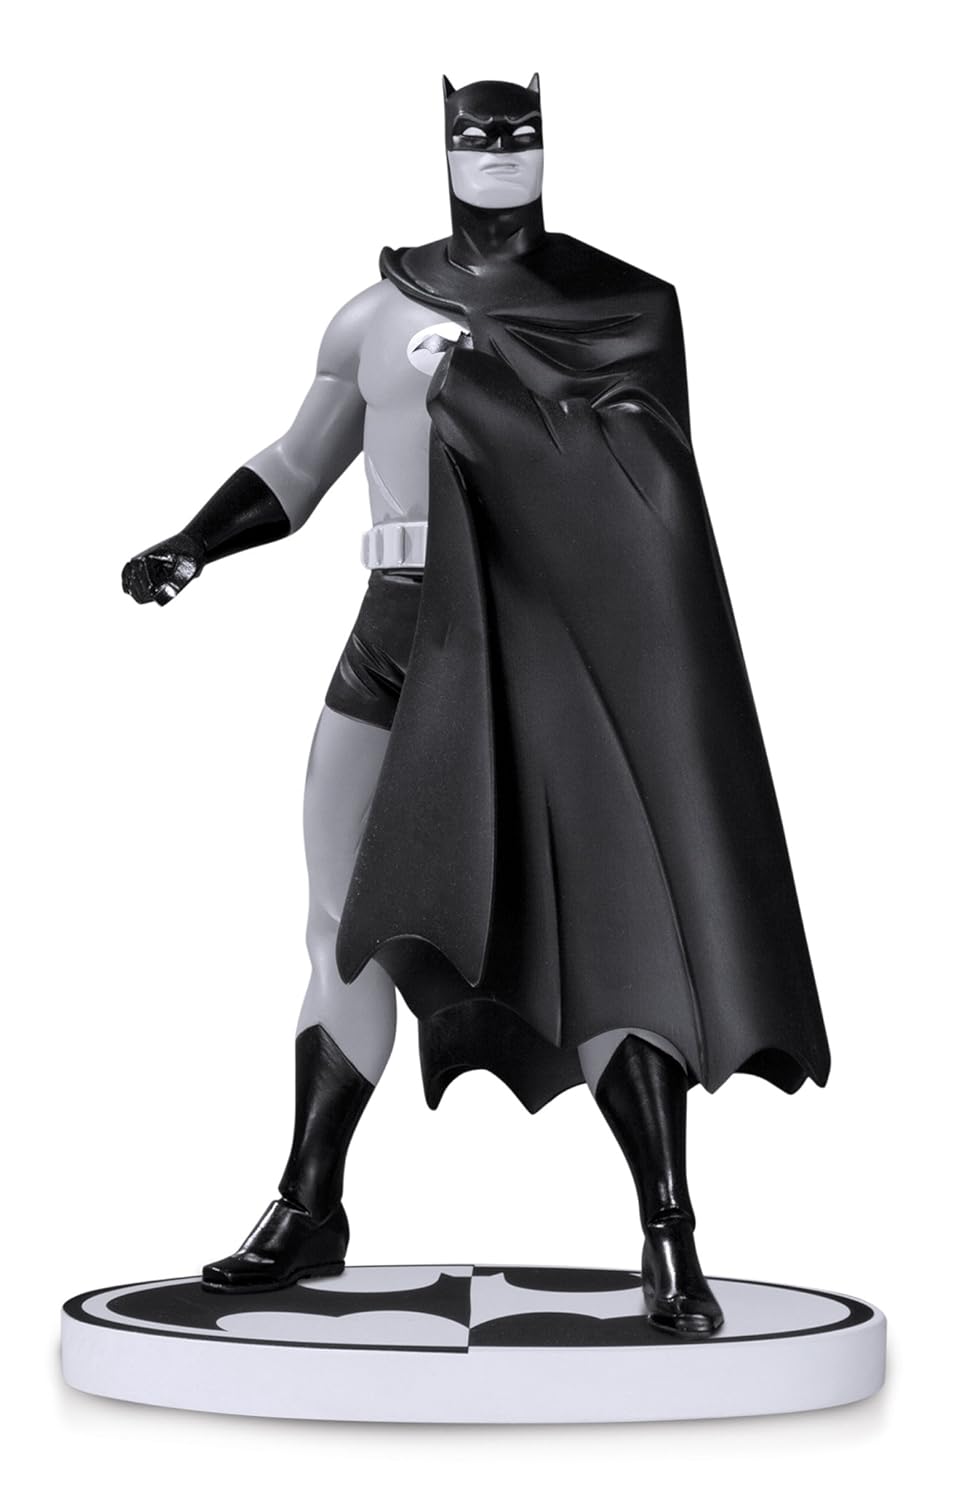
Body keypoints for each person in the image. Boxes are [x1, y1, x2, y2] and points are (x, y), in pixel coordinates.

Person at [123, 75, 830, 1337]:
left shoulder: (617, 306)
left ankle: (667, 1230)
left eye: (518, 132)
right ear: (443, 146)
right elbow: (296, 466)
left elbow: (642, 490)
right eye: (476, 133)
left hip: (541, 645)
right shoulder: (372, 312)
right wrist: (191, 541)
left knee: (611, 927)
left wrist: (490, 392)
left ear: (546, 145)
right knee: (339, 924)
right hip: (392, 637)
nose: (498, 149)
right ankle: (307, 1203)